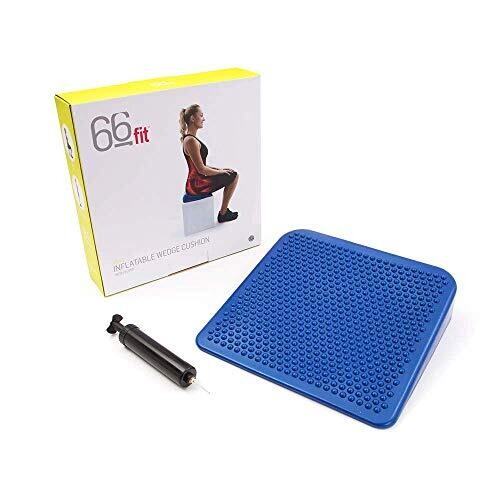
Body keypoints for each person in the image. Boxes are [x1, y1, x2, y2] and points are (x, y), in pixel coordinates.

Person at [180, 104, 239, 223]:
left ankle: (224, 212)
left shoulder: (191, 139)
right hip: (197, 185)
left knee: (230, 173)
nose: (204, 119)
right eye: (201, 115)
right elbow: (201, 169)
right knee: (234, 176)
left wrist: (220, 169)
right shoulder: (191, 141)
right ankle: (223, 213)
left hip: (198, 181)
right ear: (192, 118)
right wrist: (221, 172)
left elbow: (201, 165)